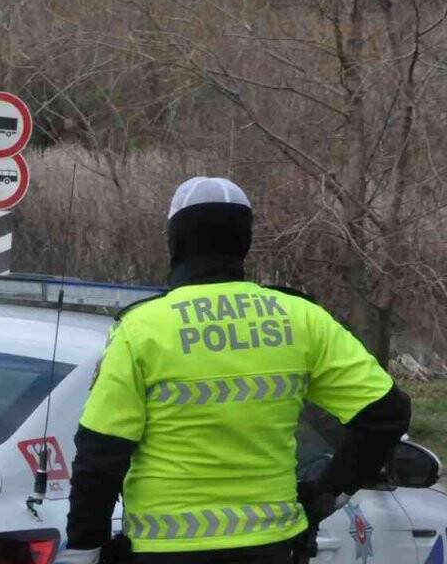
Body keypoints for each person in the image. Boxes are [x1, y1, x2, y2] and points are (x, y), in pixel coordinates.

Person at [61, 177, 411, 564]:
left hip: (166, 551)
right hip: (273, 546)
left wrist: (85, 544)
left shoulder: (143, 329)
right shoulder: (301, 318)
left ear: (175, 240)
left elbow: (101, 451)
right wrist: (328, 491)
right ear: (244, 240)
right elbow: (386, 413)